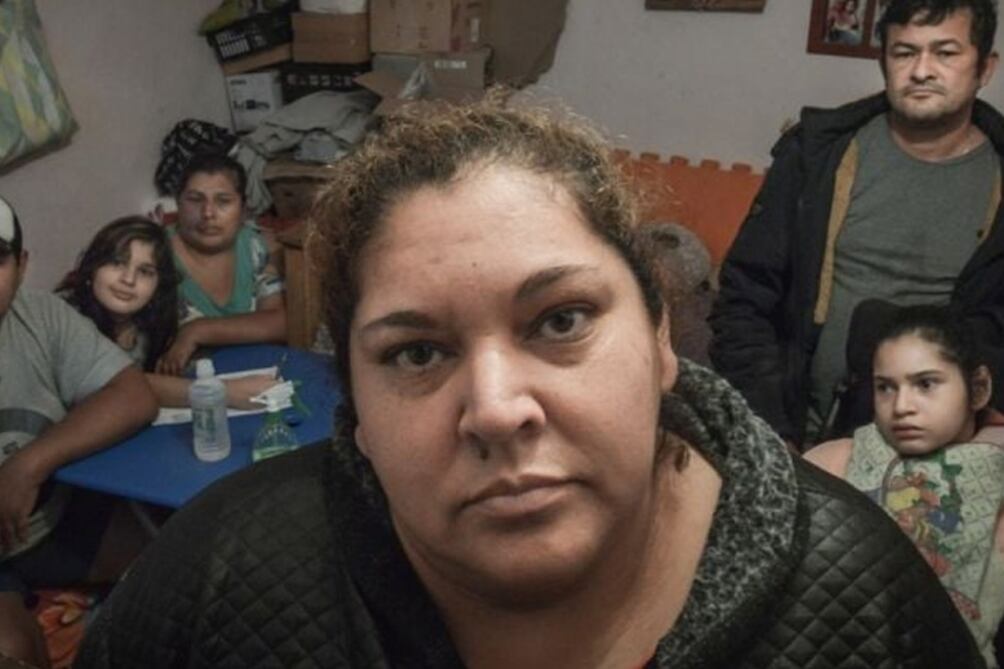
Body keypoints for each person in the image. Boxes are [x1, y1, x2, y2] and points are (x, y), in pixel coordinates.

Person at [75, 99, 982, 668]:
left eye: (561, 321)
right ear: (355, 408)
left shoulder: (862, 599)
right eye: (417, 354)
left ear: (661, 338)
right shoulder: (222, 571)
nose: (498, 409)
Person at [710, 0, 1004, 448]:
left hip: (949, 451)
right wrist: (770, 431)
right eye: (904, 53)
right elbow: (744, 298)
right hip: (797, 433)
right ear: (883, 62)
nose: (921, 71)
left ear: (985, 68)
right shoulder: (818, 156)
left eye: (945, 53)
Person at [0, 197, 158, 668]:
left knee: (197, 563)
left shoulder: (40, 315)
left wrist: (27, 465)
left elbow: (133, 394)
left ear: (22, 266)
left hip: (57, 521)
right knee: (14, 650)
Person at [805, 303, 1004, 667]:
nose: (901, 406)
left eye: (926, 384)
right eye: (885, 387)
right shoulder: (833, 462)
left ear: (978, 388)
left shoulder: (998, 477)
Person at [56, 216, 277, 408]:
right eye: (117, 263)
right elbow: (118, 383)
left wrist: (192, 334)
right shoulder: (66, 317)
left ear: (158, 284)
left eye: (145, 271)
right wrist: (222, 392)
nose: (128, 279)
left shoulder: (154, 312)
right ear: (92, 267)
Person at [156, 153, 286, 375]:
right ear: (178, 203)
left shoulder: (253, 247)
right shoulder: (154, 254)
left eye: (223, 201)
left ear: (243, 209)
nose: (208, 213)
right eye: (195, 199)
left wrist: (196, 331)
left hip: (255, 376)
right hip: (182, 387)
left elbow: (279, 324)